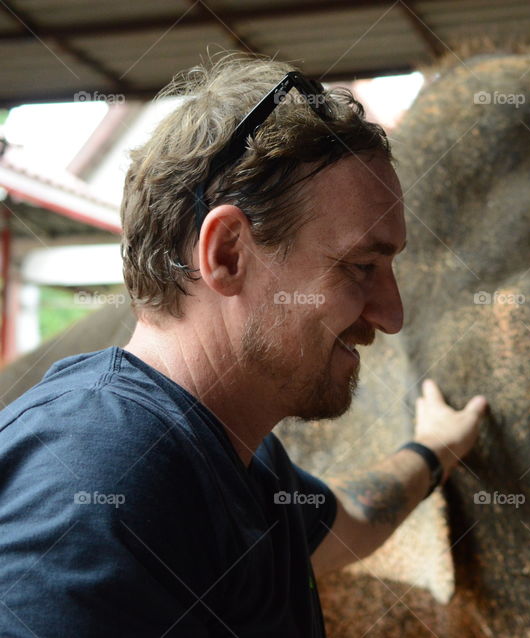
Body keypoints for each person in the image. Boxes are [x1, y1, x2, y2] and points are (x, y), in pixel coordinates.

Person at [0, 56, 487, 637]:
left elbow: (352, 519)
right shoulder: (102, 475)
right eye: (360, 266)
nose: (392, 315)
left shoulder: (244, 465)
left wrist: (435, 449)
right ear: (228, 254)